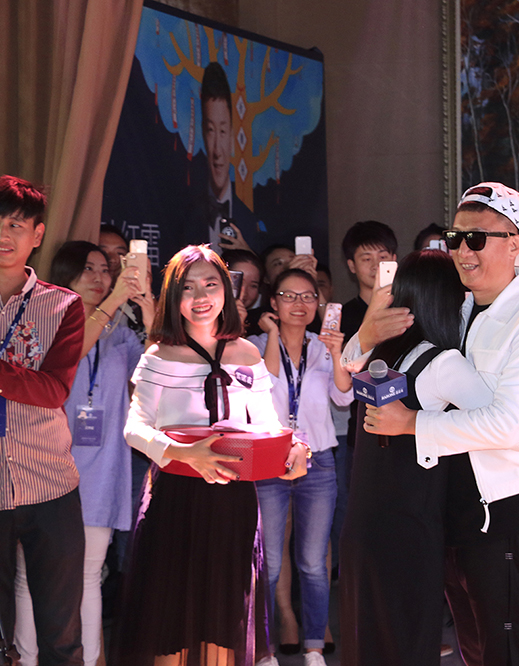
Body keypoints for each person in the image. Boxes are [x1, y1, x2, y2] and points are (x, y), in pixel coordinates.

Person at [355, 183, 519, 666]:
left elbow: (508, 425)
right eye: (455, 238)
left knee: (505, 653)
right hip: (452, 505)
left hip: (509, 510)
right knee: (473, 650)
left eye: (476, 238)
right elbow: (366, 367)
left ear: (514, 244)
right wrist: (364, 337)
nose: (461, 251)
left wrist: (412, 423)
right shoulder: (455, 305)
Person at [116, 245, 308, 665]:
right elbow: (134, 428)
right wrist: (183, 453)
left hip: (233, 502)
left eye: (210, 284)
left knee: (225, 622)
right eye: (187, 287)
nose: (200, 296)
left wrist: (295, 448)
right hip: (174, 501)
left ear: (226, 289)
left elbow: (269, 424)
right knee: (170, 625)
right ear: (173, 296)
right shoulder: (159, 355)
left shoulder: (248, 354)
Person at [13, 241, 151, 666]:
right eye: (87, 269)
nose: (99, 278)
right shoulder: (44, 325)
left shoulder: (121, 336)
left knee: (90, 576)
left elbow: (155, 374)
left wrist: (147, 304)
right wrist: (113, 301)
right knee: (30, 578)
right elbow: (69, 354)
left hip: (102, 473)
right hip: (43, 470)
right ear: (64, 276)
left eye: (105, 270)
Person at [0, 175, 86, 665]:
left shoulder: (63, 305)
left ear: (37, 234)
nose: (4, 234)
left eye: (16, 224)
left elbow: (54, 390)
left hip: (49, 484)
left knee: (60, 634)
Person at [249, 268, 352, 666]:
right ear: (273, 302)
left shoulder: (324, 346)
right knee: (270, 562)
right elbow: (264, 388)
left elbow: (343, 398)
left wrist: (338, 353)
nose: (299, 304)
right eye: (289, 296)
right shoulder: (255, 345)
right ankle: (263, 650)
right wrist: (274, 335)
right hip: (269, 460)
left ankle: (314, 648)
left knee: (312, 562)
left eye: (308, 296)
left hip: (318, 459)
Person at [331, 220, 398, 579]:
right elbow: (345, 378)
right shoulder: (343, 316)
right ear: (351, 265)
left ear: (395, 260)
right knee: (362, 517)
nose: (375, 265)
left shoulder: (409, 309)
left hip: (411, 429)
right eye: (366, 258)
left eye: (383, 256)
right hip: (364, 430)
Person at [197, 62, 263, 255]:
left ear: (233, 137)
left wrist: (247, 255)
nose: (217, 150)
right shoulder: (187, 215)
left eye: (223, 131)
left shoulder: (249, 219)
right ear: (203, 134)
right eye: (211, 130)